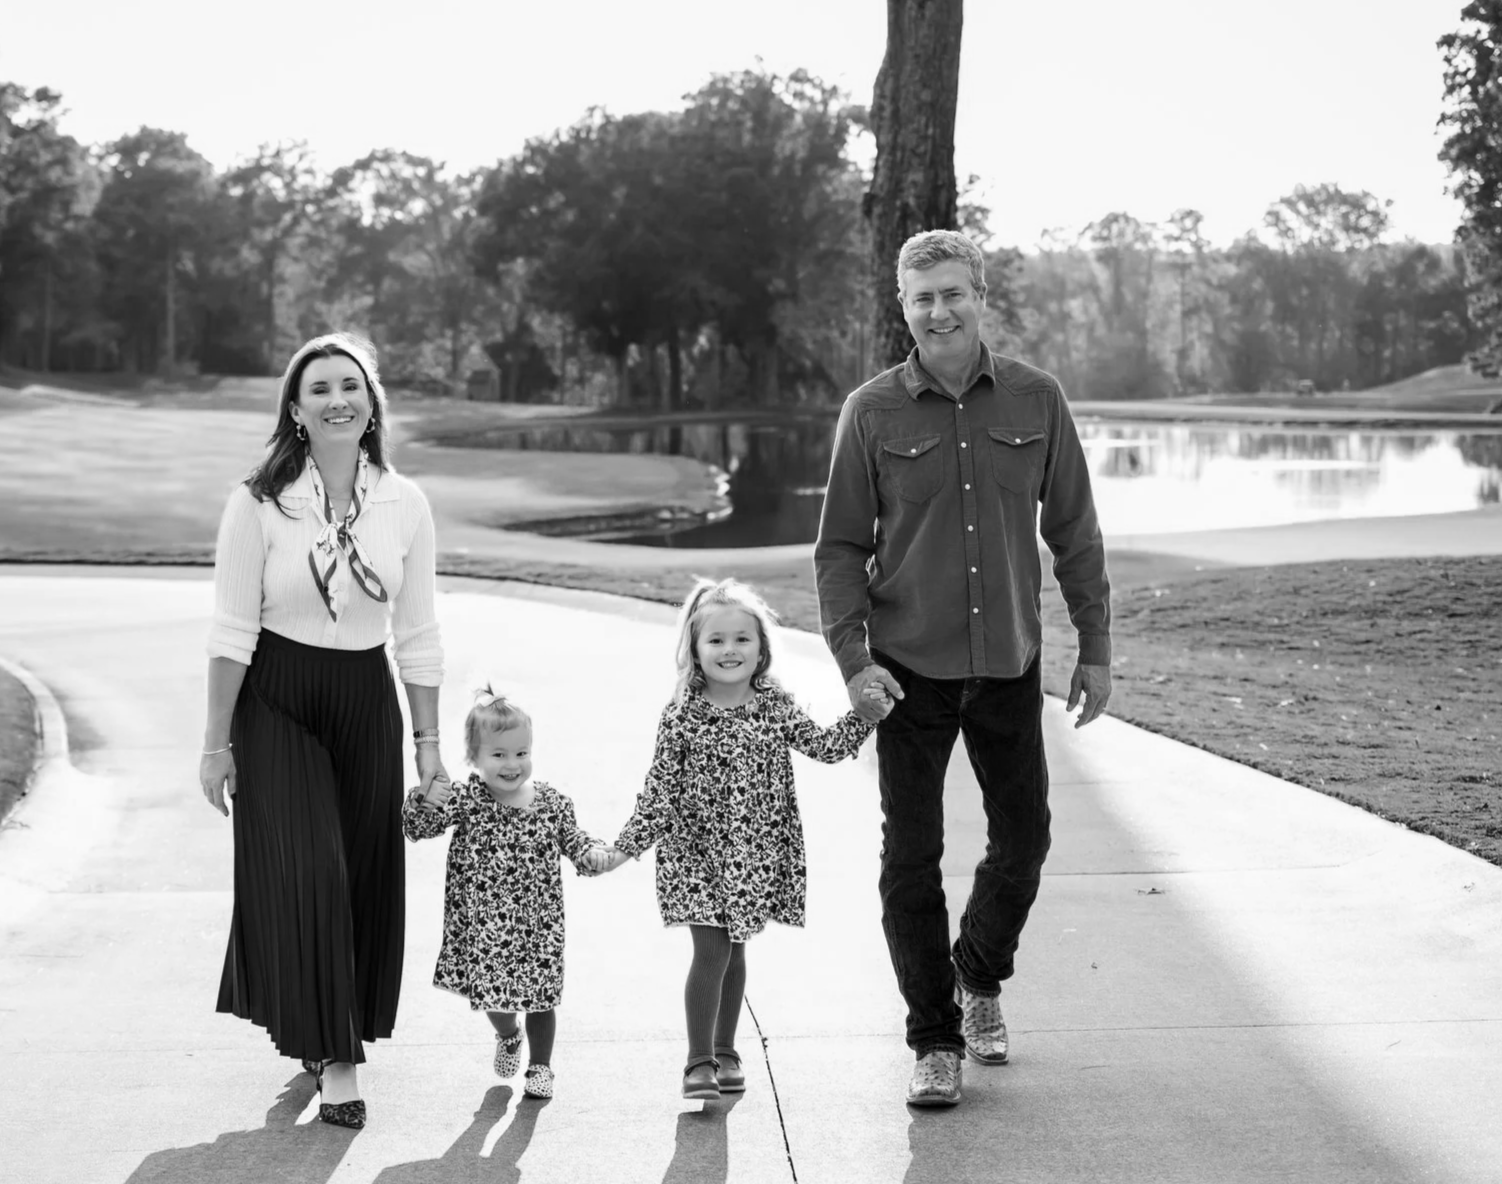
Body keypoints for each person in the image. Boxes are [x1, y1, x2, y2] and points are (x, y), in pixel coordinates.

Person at [814, 229, 1112, 1108]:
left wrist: (1094, 645)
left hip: (1009, 663)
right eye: (920, 298)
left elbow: (1074, 532)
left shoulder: (1036, 399)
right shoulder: (870, 413)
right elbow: (838, 549)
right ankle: (932, 1038)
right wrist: (851, 661)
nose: (937, 310)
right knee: (911, 856)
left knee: (1023, 841)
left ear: (981, 295)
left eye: (951, 292)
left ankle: (975, 974)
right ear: (901, 308)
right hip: (907, 673)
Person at [198, 332, 448, 1130]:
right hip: (276, 699)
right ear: (296, 412)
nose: (337, 399)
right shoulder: (258, 502)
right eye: (319, 390)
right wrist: (215, 743)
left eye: (351, 385)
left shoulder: (404, 504)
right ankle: (336, 1062)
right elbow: (232, 630)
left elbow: (417, 633)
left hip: (364, 696)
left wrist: (428, 745)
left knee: (363, 874)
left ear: (372, 401)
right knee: (310, 871)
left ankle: (322, 1027)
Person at [597, 579, 875, 1099]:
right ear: (695, 650)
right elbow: (658, 792)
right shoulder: (681, 714)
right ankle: (698, 1062)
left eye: (742, 639)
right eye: (717, 640)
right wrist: (624, 848)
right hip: (694, 854)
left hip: (755, 853)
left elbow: (826, 746)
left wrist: (864, 716)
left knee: (735, 948)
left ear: (762, 648)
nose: (730, 650)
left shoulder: (774, 705)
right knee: (712, 950)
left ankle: (726, 1051)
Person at [402, 687, 610, 1101]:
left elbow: (574, 839)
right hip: (486, 926)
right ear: (474, 759)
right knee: (495, 999)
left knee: (541, 997)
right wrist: (424, 799)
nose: (512, 764)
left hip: (539, 923)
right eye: (498, 755)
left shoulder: (551, 803)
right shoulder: (467, 800)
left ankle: (541, 1067)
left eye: (521, 753)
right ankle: (509, 1035)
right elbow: (416, 828)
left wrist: (591, 852)